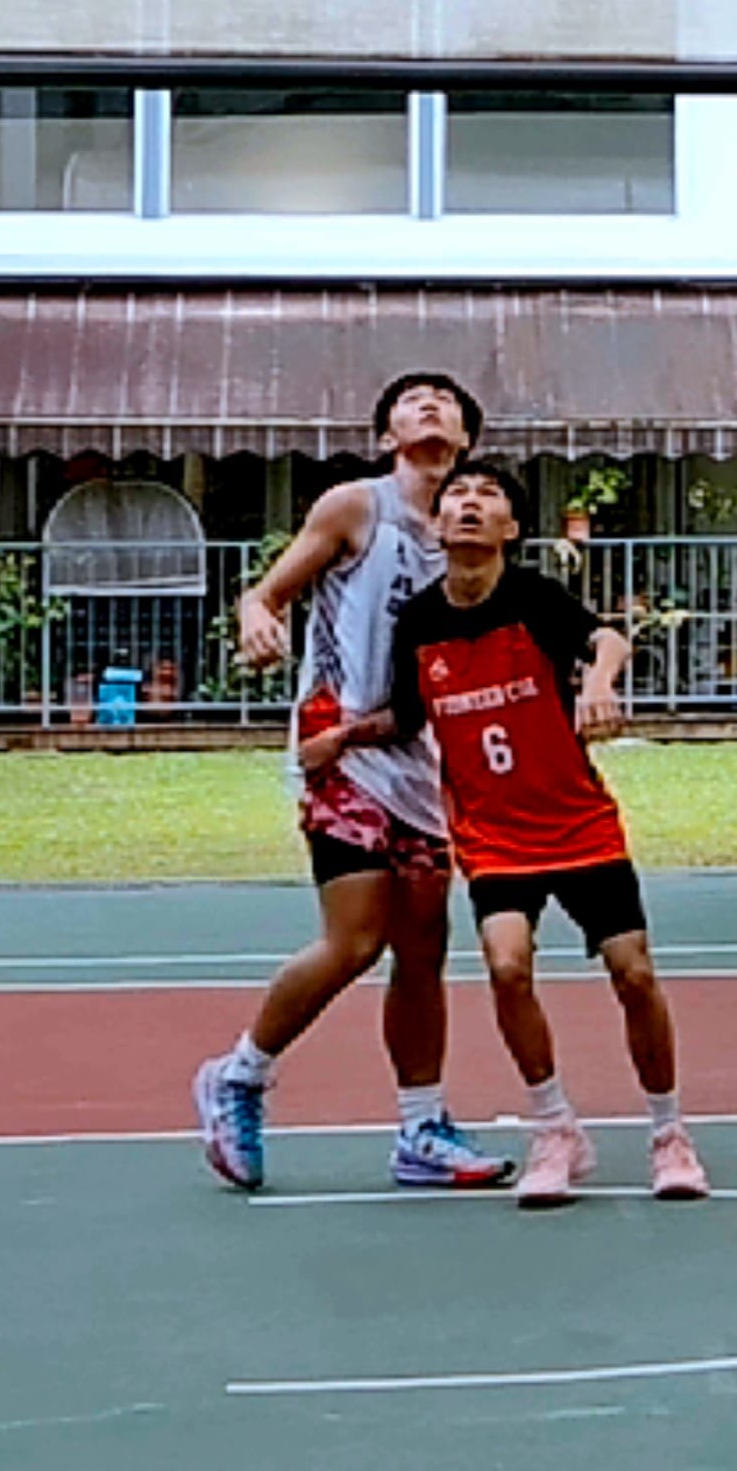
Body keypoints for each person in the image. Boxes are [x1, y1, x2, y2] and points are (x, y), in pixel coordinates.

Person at [191, 371, 514, 1192]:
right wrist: (258, 618)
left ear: (467, 440)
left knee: (423, 949)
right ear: (385, 436)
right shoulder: (355, 508)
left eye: (446, 401)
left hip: (421, 764)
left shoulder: (471, 538)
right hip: (341, 751)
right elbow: (266, 594)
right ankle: (238, 1076)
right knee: (356, 939)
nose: (430, 404)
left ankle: (421, 1128)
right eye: (413, 399)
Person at [358, 462, 702, 1207]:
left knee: (633, 973)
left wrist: (599, 683)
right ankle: (554, 1128)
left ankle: (669, 1134)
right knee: (507, 966)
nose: (469, 504)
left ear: (510, 528)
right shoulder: (418, 622)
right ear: (437, 524)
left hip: (577, 823)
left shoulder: (535, 599)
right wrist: (340, 737)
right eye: (457, 495)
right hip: (494, 836)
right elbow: (408, 718)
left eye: (488, 497)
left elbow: (608, 640)